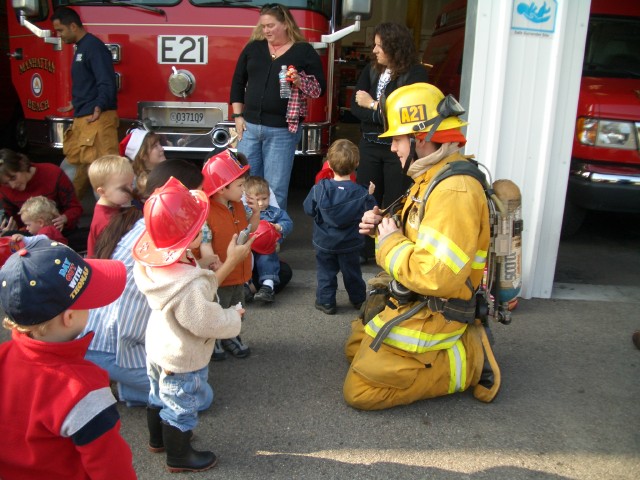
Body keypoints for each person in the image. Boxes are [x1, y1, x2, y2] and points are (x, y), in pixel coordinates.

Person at [343, 83, 501, 410]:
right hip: (417, 296)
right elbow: (419, 239)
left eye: (398, 139)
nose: (394, 149)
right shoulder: (430, 178)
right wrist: (383, 228)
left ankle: (470, 358)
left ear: (422, 137)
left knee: (360, 391)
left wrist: (388, 244)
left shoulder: (454, 191)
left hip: (439, 310)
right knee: (354, 348)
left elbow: (436, 276)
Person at [132, 177, 252, 473]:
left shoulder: (154, 265)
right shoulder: (188, 286)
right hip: (181, 356)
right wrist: (231, 318)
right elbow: (205, 321)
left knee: (157, 395)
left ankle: (159, 440)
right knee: (181, 406)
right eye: (201, 228)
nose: (205, 228)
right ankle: (179, 456)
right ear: (191, 237)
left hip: (159, 346)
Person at [0, 237, 136, 479]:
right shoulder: (84, 389)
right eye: (88, 300)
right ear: (69, 317)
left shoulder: (4, 356)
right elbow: (113, 469)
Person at [84, 159, 204, 411]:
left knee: (191, 372)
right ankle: (130, 383)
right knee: (197, 397)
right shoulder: (166, 242)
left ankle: (127, 383)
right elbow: (192, 307)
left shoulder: (140, 222)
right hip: (115, 346)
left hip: (96, 336)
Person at [230, 2, 326, 211]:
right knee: (245, 183)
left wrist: (300, 81)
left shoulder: (303, 51)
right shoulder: (254, 47)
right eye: (263, 26)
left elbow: (320, 89)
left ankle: (272, 235)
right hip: (250, 127)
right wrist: (238, 116)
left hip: (283, 129)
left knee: (275, 187)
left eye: (271, 26)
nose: (266, 31)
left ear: (285, 24)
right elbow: (238, 81)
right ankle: (247, 232)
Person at [351, 22, 429, 263]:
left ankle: (393, 249)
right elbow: (356, 106)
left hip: (399, 148)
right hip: (370, 144)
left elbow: (407, 112)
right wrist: (382, 113)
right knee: (367, 198)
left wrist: (373, 105)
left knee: (397, 199)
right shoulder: (371, 70)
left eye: (379, 46)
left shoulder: (416, 73)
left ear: (394, 47)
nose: (374, 50)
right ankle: (363, 251)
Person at [51, 6, 119, 200]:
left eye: (61, 30)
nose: (60, 35)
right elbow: (90, 82)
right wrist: (77, 102)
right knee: (75, 169)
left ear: (73, 26)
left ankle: (113, 222)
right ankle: (63, 216)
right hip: (85, 118)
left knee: (104, 176)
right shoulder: (82, 48)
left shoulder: (93, 47)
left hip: (97, 119)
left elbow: (106, 80)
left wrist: (99, 105)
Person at [303, 139, 376, 315]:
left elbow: (308, 209)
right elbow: (371, 215)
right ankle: (358, 299)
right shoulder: (361, 193)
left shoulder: (320, 188)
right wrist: (370, 195)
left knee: (326, 272)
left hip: (324, 241)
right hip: (350, 242)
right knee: (352, 272)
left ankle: (326, 302)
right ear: (356, 163)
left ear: (328, 162)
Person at [202, 149, 259, 360]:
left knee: (237, 308)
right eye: (240, 185)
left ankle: (231, 336)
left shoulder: (237, 205)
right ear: (221, 187)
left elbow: (251, 229)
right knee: (217, 309)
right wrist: (212, 262)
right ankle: (213, 340)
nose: (244, 190)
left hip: (239, 272)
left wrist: (255, 213)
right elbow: (205, 241)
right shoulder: (207, 211)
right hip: (222, 273)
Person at [0, 148, 84, 249]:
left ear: (22, 165)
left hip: (60, 233)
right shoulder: (4, 190)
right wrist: (6, 229)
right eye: (6, 183)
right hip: (30, 234)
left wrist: (65, 218)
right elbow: (12, 218)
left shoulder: (52, 173)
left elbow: (75, 207)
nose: (12, 186)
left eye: (13, 178)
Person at [243, 175, 293, 303]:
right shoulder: (244, 212)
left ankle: (267, 287)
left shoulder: (275, 212)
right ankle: (245, 287)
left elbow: (288, 223)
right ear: (248, 198)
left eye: (264, 198)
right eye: (257, 200)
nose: (261, 203)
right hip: (248, 247)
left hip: (265, 248)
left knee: (268, 259)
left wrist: (279, 227)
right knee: (244, 260)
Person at [86, 155, 134, 258]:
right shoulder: (106, 221)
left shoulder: (113, 206)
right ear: (102, 192)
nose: (130, 190)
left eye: (131, 184)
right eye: (123, 188)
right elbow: (112, 256)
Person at [119, 128, 167, 198]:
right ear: (143, 155)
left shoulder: (165, 172)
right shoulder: (137, 184)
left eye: (159, 144)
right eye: (155, 146)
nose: (162, 149)